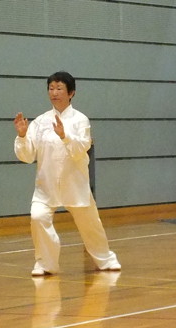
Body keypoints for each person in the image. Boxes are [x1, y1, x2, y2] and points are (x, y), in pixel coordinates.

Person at [14, 71, 121, 276]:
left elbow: (82, 147)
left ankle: (106, 259)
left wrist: (65, 135)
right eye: (51, 88)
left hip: (75, 182)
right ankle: (46, 263)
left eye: (59, 88)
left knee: (90, 224)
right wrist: (22, 135)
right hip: (46, 185)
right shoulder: (40, 121)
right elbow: (27, 156)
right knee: (38, 217)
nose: (54, 92)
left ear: (71, 93)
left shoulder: (81, 120)